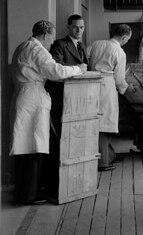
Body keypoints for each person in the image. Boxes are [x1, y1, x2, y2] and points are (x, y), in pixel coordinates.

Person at [10, 20, 86, 205]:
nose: (52, 42)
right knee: (34, 146)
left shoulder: (23, 46)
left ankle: (26, 191)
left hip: (26, 97)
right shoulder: (36, 49)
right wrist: (79, 69)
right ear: (44, 35)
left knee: (27, 146)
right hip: (32, 99)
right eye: (51, 38)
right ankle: (29, 194)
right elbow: (55, 70)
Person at [43, 14, 89, 198]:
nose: (79, 31)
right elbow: (57, 68)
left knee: (76, 135)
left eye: (82, 27)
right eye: (76, 27)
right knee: (61, 136)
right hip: (62, 96)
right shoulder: (60, 44)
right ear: (68, 27)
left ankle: (75, 176)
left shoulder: (81, 45)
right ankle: (59, 180)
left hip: (79, 97)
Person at [88, 24, 133, 171]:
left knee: (95, 122)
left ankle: (109, 154)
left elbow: (88, 59)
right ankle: (103, 162)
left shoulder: (96, 44)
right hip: (107, 87)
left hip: (92, 83)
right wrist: (127, 88)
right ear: (125, 37)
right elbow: (119, 79)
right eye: (127, 39)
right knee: (105, 125)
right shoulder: (119, 52)